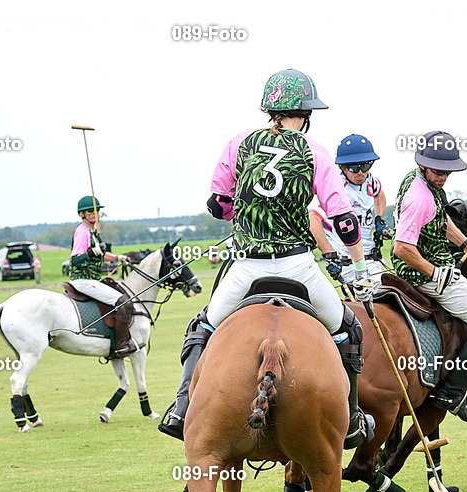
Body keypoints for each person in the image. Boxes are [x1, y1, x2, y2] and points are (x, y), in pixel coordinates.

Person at [159, 68, 375, 449]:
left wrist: (244, 211)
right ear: (304, 114)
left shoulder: (238, 143)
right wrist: (359, 269)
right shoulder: (315, 152)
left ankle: (180, 409)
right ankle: (352, 416)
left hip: (246, 268)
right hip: (299, 267)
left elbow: (217, 205)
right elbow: (343, 221)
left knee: (202, 327)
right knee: (349, 329)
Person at [391, 131, 467, 492]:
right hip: (426, 274)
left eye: (447, 172)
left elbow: (441, 221)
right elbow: (401, 247)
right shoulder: (417, 197)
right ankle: (451, 392)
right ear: (422, 165)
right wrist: (435, 273)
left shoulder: (427, 188)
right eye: (437, 171)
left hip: (438, 262)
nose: (442, 176)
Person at [311, 134, 391, 291]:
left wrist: (379, 218)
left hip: (372, 260)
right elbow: (313, 219)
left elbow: (379, 192)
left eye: (365, 166)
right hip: (348, 264)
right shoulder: (337, 189)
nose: (360, 173)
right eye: (354, 168)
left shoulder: (370, 181)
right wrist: (329, 254)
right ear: (342, 167)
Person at [68, 195, 136, 357]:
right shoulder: (82, 232)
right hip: (83, 280)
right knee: (123, 301)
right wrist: (91, 253)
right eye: (90, 211)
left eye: (97, 211)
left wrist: (118, 257)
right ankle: (121, 344)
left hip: (90, 279)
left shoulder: (93, 231)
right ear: (82, 214)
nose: (94, 214)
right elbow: (76, 260)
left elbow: (102, 255)